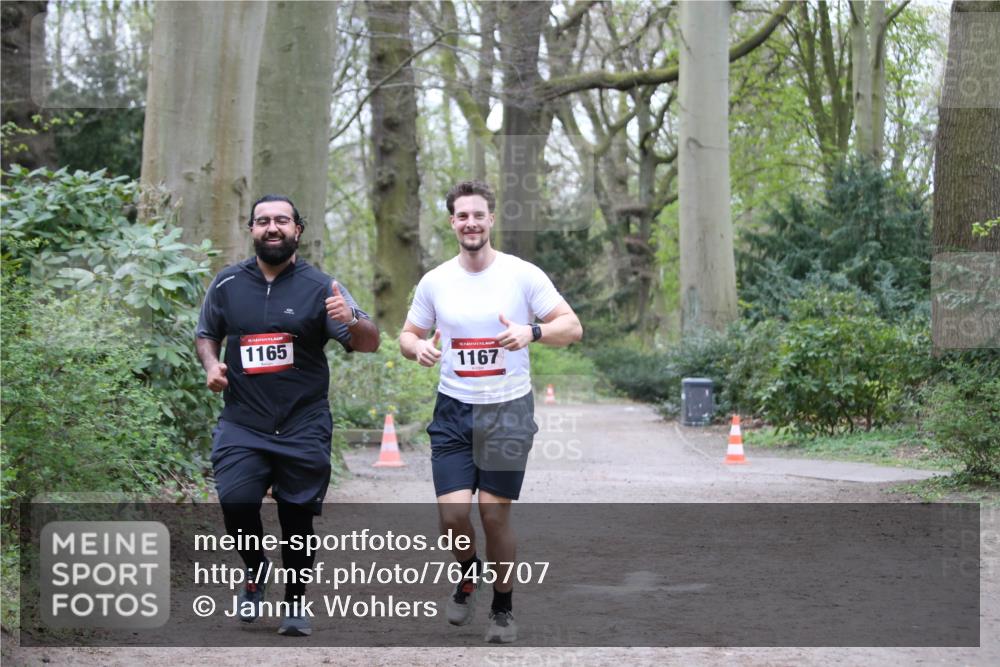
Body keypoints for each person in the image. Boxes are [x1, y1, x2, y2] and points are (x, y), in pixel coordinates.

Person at [399, 180, 583, 643]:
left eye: (479, 214)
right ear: (452, 222)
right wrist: (417, 347)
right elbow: (407, 334)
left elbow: (572, 326)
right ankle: (467, 572)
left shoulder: (522, 275)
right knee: (452, 517)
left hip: (507, 410)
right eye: (462, 216)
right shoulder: (436, 280)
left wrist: (531, 333)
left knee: (493, 514)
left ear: (492, 219)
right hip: (454, 410)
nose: (471, 223)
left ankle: (503, 605)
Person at [196, 194, 379, 637]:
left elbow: (369, 341)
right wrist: (212, 365)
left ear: (298, 229)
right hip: (243, 420)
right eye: (263, 221)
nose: (272, 227)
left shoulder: (323, 287)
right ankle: (256, 571)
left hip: (303, 421)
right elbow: (206, 334)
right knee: (236, 501)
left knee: (298, 518)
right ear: (251, 229)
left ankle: (296, 601)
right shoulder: (226, 283)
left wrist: (352, 317)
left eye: (282, 220)